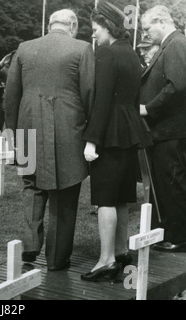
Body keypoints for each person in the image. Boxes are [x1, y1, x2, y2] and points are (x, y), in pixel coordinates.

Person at [4, 9, 95, 271]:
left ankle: (30, 246)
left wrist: (15, 130)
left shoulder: (24, 47)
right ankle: (56, 258)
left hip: (28, 127)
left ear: (50, 24)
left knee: (32, 186)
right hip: (69, 130)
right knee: (65, 192)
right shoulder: (82, 48)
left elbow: (11, 96)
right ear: (73, 25)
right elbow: (89, 94)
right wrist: (90, 133)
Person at [81, 1, 152, 282]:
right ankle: (121, 251)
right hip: (129, 131)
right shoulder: (132, 54)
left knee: (105, 198)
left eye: (96, 29)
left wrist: (91, 141)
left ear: (108, 26)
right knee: (122, 196)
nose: (93, 35)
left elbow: (101, 102)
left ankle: (106, 260)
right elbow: (133, 99)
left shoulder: (106, 55)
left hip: (109, 134)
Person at [140, 5, 186, 252]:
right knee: (169, 183)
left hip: (171, 130)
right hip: (168, 130)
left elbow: (178, 85)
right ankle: (171, 231)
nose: (147, 35)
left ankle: (178, 237)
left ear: (161, 21)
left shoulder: (176, 44)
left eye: (148, 29)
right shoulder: (171, 44)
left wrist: (149, 108)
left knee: (173, 183)